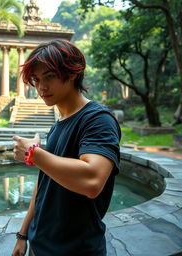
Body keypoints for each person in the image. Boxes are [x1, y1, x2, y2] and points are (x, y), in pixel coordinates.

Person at [11, 39, 121, 256]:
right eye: (36, 79)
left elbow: (92, 180)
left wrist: (34, 153)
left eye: (49, 76)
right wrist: (23, 234)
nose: (41, 87)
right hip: (38, 242)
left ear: (72, 73)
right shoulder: (58, 124)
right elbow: (43, 184)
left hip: (76, 249)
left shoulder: (97, 119)